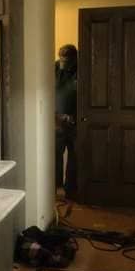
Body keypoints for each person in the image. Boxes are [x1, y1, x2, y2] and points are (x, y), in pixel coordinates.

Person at [55, 44, 78, 198]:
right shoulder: (54, 68)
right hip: (57, 120)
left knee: (75, 156)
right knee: (56, 155)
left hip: (77, 120)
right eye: (61, 60)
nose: (63, 64)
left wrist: (74, 115)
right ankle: (56, 186)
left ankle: (71, 189)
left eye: (67, 61)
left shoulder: (82, 68)